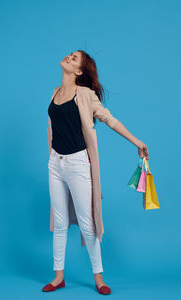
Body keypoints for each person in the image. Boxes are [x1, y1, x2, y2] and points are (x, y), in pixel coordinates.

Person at [42, 50, 149, 294]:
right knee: (59, 224)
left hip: (78, 165)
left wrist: (137, 142)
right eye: (70, 54)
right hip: (55, 163)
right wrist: (52, 158)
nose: (69, 57)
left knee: (87, 224)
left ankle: (99, 278)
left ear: (79, 71)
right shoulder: (54, 93)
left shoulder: (86, 95)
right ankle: (58, 277)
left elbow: (110, 120)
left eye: (75, 58)